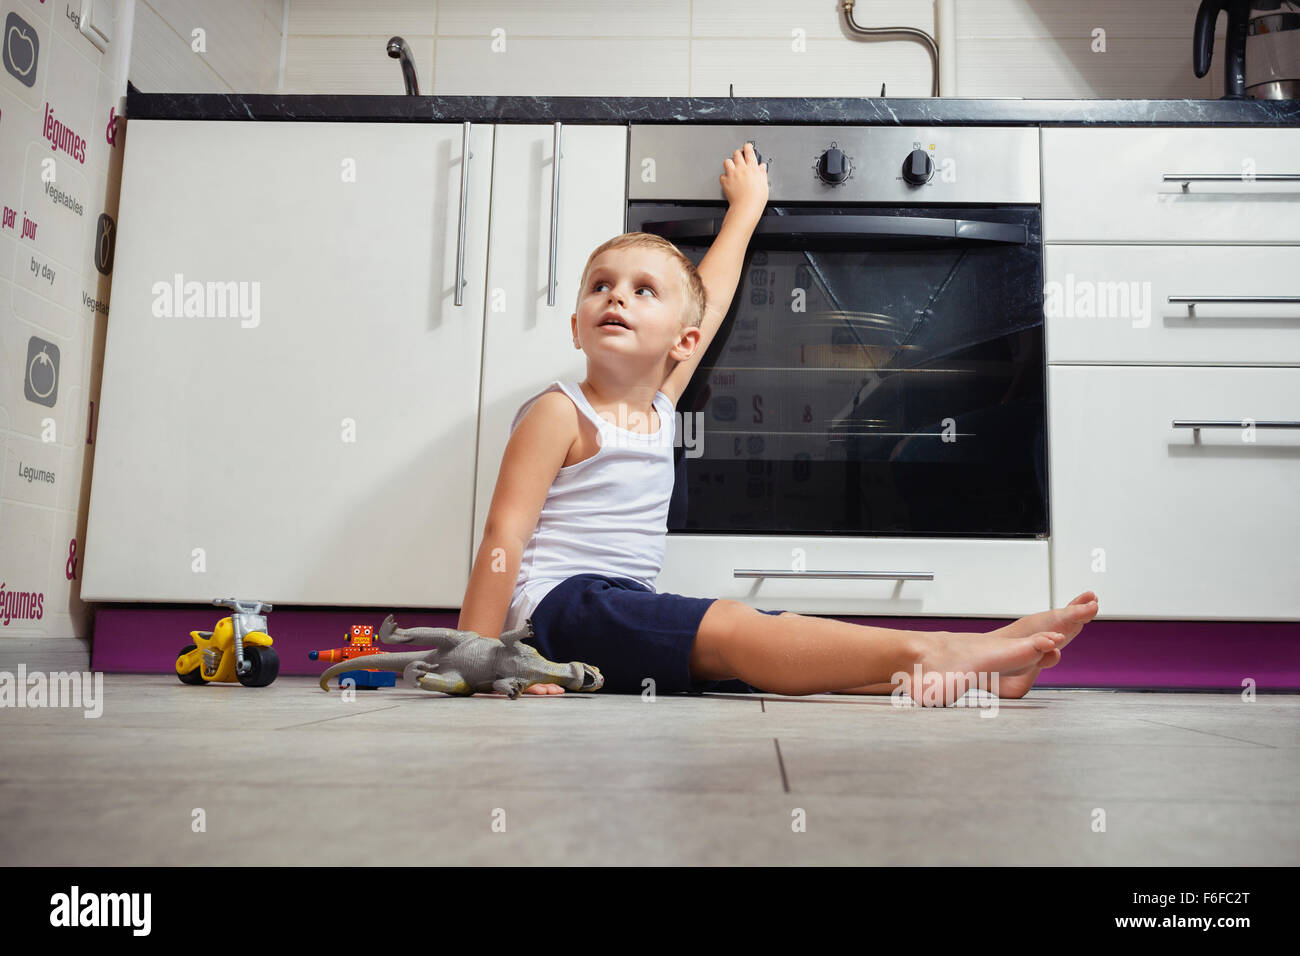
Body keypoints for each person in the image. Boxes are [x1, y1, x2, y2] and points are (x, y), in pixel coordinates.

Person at [458, 143, 1098, 704]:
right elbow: (502, 538)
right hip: (557, 608)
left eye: (642, 289)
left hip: (611, 608)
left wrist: (744, 211)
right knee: (736, 628)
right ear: (576, 325)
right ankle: (939, 648)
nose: (617, 295)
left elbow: (708, 296)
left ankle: (979, 672)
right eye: (601, 285)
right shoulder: (559, 412)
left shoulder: (658, 404)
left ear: (681, 341)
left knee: (752, 659)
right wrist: (480, 659)